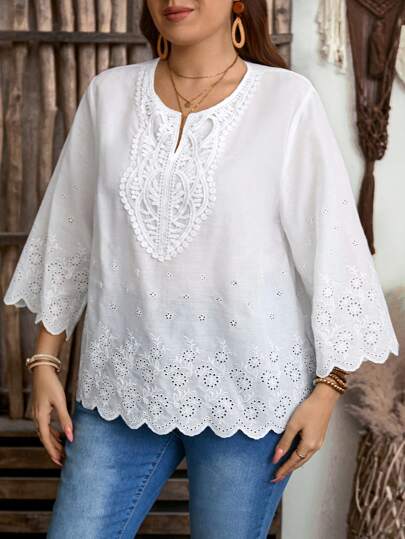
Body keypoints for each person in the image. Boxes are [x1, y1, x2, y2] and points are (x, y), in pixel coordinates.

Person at [3, 1, 399, 537]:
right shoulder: (109, 96)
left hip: (250, 402)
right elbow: (70, 232)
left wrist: (327, 391)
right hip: (122, 388)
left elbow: (334, 250)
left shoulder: (286, 101)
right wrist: (44, 360)